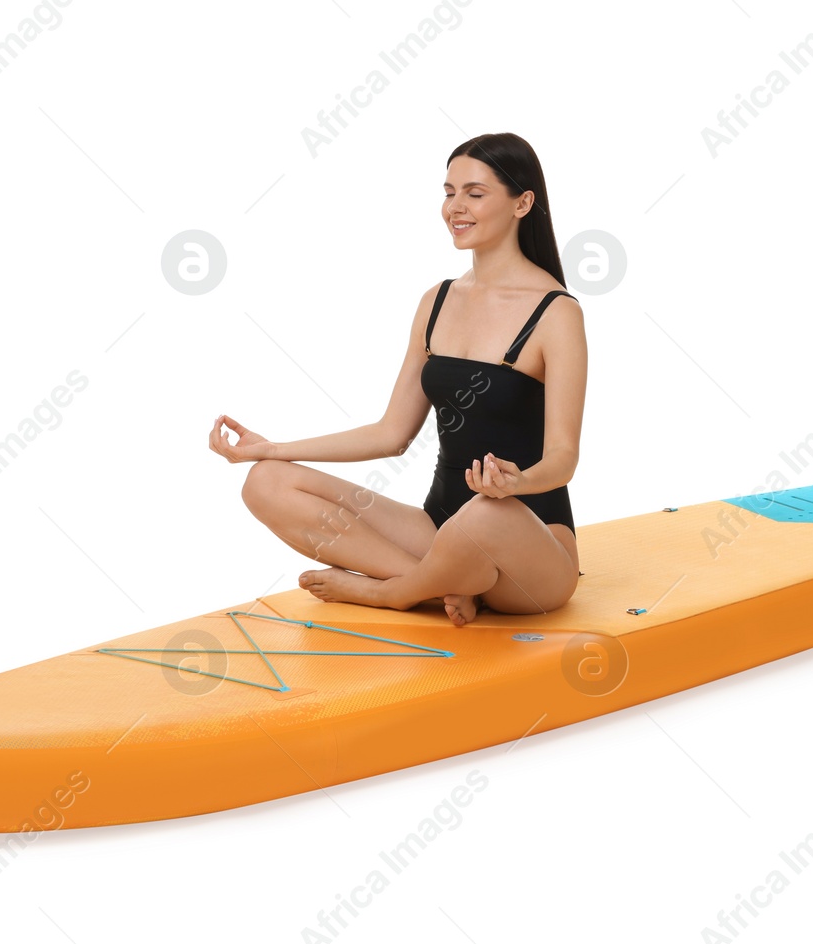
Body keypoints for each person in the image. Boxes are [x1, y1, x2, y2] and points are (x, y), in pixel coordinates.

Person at [208, 132, 586, 626]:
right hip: (438, 531)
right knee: (266, 484)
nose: (456, 207)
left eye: (475, 193)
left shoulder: (557, 312)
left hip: (528, 549)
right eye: (449, 192)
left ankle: (392, 592)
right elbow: (391, 434)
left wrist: (517, 482)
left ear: (523, 202)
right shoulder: (436, 301)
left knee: (487, 513)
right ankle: (438, 585)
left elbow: (564, 457)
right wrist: (269, 449)